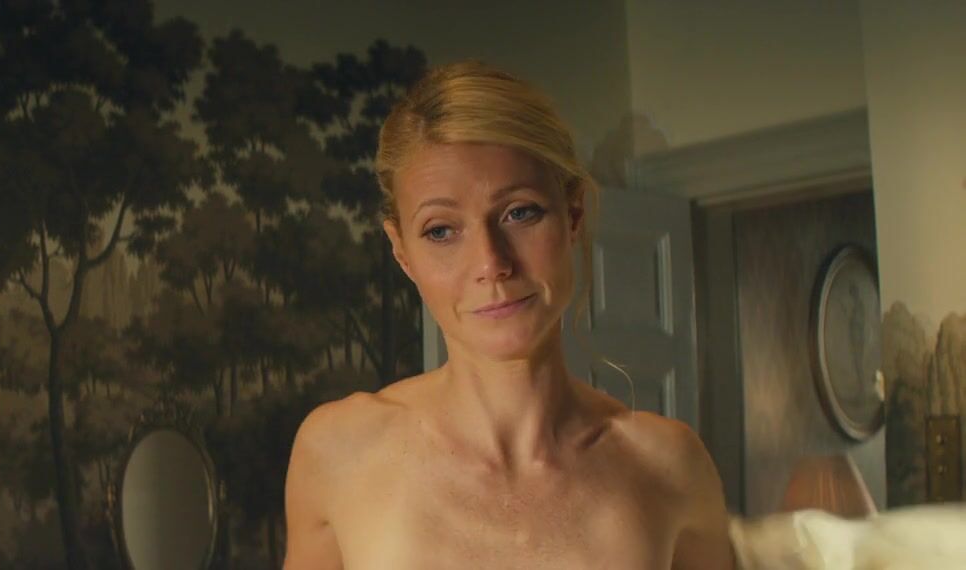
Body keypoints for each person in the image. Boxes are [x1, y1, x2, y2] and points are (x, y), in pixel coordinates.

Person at [282, 61, 734, 569]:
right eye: (441, 231)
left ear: (573, 216)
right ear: (402, 252)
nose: (491, 264)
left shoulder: (668, 465)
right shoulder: (339, 452)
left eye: (520, 213)